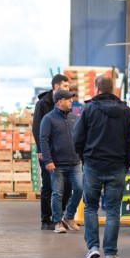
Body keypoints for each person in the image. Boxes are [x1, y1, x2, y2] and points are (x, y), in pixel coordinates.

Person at [73, 74, 130, 258]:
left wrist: (84, 157)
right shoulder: (126, 111)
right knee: (112, 210)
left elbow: (77, 137)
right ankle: (111, 253)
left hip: (93, 165)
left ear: (96, 88)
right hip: (117, 166)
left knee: (91, 208)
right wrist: (126, 160)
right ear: (113, 89)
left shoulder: (88, 110)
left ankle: (93, 247)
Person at [39, 89, 81, 234]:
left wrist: (81, 155)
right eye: (68, 99)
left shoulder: (74, 118)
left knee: (80, 188)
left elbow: (80, 138)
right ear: (59, 102)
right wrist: (48, 160)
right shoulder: (48, 119)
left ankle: (68, 216)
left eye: (71, 99)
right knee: (57, 193)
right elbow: (43, 140)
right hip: (57, 164)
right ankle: (57, 222)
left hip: (75, 162)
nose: (71, 101)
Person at [32, 73, 70, 230]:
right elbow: (36, 128)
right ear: (56, 87)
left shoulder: (65, 103)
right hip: (47, 151)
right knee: (48, 185)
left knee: (67, 185)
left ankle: (58, 217)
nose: (68, 89)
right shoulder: (42, 104)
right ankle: (45, 220)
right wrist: (40, 150)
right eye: (66, 86)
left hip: (63, 152)